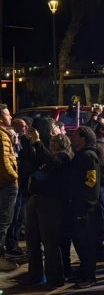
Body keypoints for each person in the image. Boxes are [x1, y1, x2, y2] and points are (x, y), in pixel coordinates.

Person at [25, 132, 72, 287]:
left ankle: (55, 277)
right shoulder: (49, 157)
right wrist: (27, 142)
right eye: (51, 140)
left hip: (50, 202)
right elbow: (34, 161)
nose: (52, 143)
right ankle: (35, 275)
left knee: (50, 241)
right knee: (32, 239)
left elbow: (54, 162)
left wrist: (38, 143)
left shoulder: (64, 158)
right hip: (36, 198)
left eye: (56, 141)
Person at [67, 126, 100, 288]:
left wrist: (83, 201)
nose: (72, 137)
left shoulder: (88, 156)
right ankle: (83, 272)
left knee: (86, 243)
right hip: (78, 205)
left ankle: (89, 276)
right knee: (80, 242)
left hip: (84, 207)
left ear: (84, 138)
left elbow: (91, 182)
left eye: (75, 135)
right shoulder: (81, 155)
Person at [0, 104, 18, 271]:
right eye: (7, 115)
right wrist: (14, 177)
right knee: (4, 221)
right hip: (7, 184)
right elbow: (5, 161)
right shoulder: (2, 136)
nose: (11, 117)